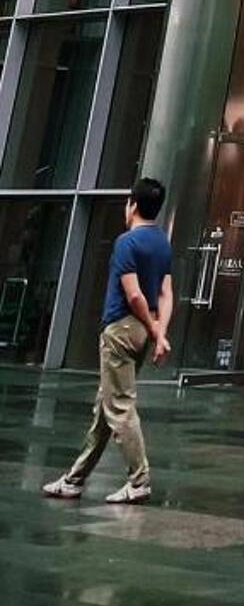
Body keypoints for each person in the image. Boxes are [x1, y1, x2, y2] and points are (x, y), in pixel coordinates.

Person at [41, 177, 173, 506]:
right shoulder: (162, 242)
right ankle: (74, 479)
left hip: (121, 330)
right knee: (105, 408)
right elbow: (165, 293)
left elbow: (134, 295)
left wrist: (155, 330)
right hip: (142, 331)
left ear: (133, 205)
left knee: (120, 406)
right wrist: (158, 332)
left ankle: (139, 481)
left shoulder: (126, 242)